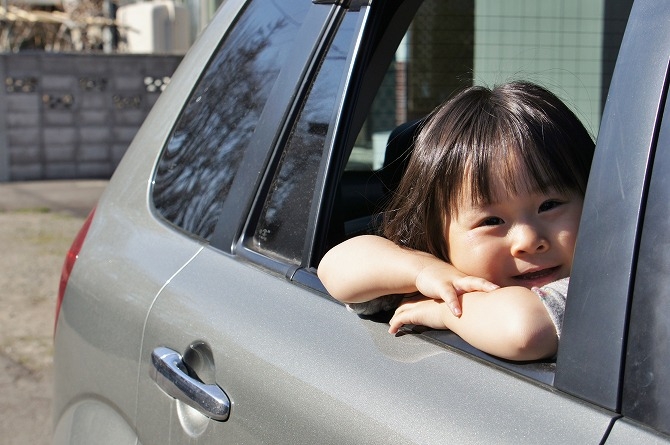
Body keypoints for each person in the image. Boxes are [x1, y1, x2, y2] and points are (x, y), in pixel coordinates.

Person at [318, 81, 595, 361]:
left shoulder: (600, 286)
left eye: (549, 205)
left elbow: (525, 330)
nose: (528, 240)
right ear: (438, 235)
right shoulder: (442, 276)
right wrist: (423, 272)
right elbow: (335, 267)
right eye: (491, 221)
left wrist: (443, 309)